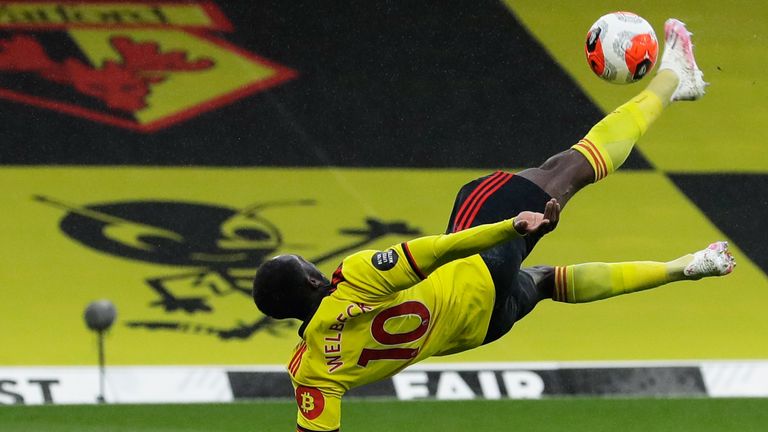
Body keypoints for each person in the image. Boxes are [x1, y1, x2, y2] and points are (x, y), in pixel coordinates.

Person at [252, 19, 735, 432]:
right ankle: (674, 77)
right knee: (561, 172)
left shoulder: (310, 373)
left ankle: (684, 267)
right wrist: (510, 228)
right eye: (307, 263)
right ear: (313, 278)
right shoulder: (354, 278)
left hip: (480, 328)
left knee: (547, 282)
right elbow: (439, 250)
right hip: (479, 270)